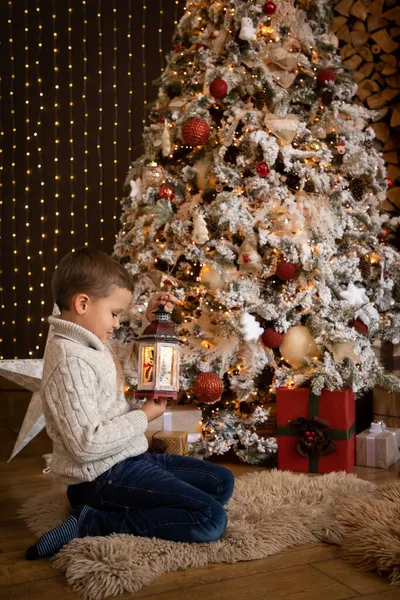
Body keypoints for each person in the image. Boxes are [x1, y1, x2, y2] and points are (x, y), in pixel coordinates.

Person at [25, 247, 234, 560]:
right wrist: (144, 416)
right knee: (210, 518)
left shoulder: (91, 343)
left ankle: (134, 503)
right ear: (82, 303)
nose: (117, 323)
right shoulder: (69, 359)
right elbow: (86, 444)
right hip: (99, 477)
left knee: (221, 481)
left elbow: (136, 364)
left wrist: (150, 322)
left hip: (128, 458)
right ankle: (92, 521)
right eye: (114, 314)